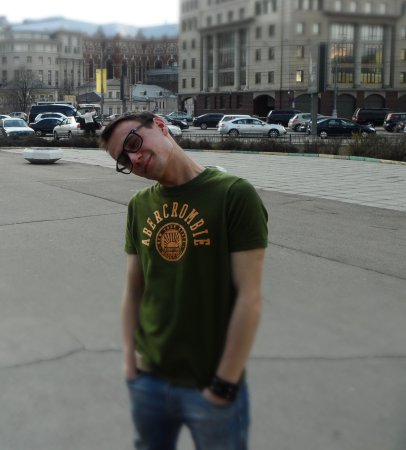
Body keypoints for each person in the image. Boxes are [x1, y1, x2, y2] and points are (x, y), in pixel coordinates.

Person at [99, 112, 268, 450]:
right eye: (124, 160)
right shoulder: (139, 205)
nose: (134, 159)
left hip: (211, 382)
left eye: (133, 142)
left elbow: (249, 297)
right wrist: (131, 362)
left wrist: (225, 382)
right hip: (149, 381)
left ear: (161, 126)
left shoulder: (233, 195)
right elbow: (134, 290)